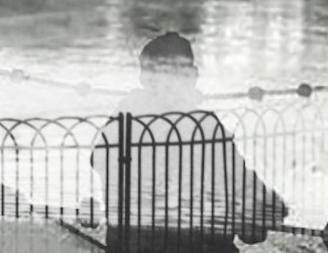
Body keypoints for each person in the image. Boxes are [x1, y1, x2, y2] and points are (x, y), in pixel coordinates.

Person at [87, 33, 287, 253]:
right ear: (192, 76)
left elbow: (100, 162)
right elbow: (257, 205)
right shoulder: (206, 128)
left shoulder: (123, 119)